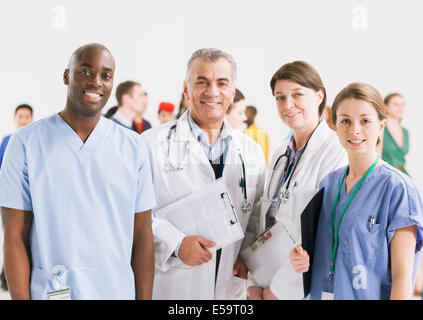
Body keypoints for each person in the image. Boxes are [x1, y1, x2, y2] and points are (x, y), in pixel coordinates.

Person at [0, 43, 156, 300]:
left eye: (105, 75)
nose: (96, 82)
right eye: (85, 71)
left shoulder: (132, 146)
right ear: (66, 76)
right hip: (52, 290)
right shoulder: (26, 142)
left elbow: (142, 234)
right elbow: (15, 235)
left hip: (116, 292)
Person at [142, 48, 266, 300]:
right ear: (186, 89)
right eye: (202, 82)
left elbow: (255, 216)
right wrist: (175, 243)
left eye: (222, 83)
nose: (212, 92)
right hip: (173, 289)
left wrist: (247, 254)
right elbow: (135, 215)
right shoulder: (150, 144)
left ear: (232, 91)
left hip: (230, 292)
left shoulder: (250, 152)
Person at [290, 82, 423, 300]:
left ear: (381, 125)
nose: (354, 130)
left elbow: (402, 277)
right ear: (334, 126)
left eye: (365, 121)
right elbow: (327, 248)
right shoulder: (328, 184)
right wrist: (300, 258)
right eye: (345, 121)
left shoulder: (399, 189)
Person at [245, 61, 347, 300]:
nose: (287, 105)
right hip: (264, 280)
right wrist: (253, 282)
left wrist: (278, 291)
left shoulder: (335, 151)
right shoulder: (281, 153)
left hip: (299, 286)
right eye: (280, 97)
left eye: (297, 95)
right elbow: (264, 221)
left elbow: (324, 229)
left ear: (319, 95)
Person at [0, 103, 34, 291]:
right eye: (20, 117)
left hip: (29, 198)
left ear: (32, 119)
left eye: (27, 117)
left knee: (27, 237)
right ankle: (6, 276)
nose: (23, 120)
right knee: (11, 236)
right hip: (9, 198)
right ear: (15, 119)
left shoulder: (35, 140)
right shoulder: (6, 141)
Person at [380, 93, 409, 175]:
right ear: (385, 106)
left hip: (403, 174)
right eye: (396, 104)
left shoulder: (405, 132)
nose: (400, 108)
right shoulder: (380, 129)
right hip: (385, 174)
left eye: (403, 104)